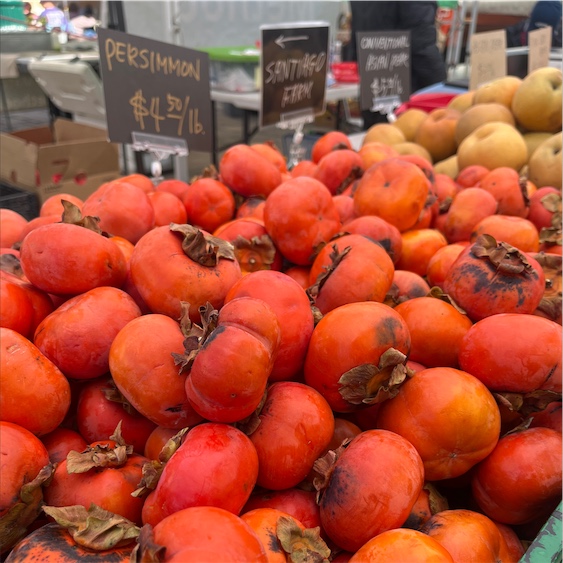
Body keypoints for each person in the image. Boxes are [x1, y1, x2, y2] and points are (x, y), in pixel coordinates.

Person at [346, 1, 447, 129]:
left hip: (374, 82)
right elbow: (422, 46)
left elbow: (356, 31)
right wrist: (442, 87)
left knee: (376, 139)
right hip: (407, 94)